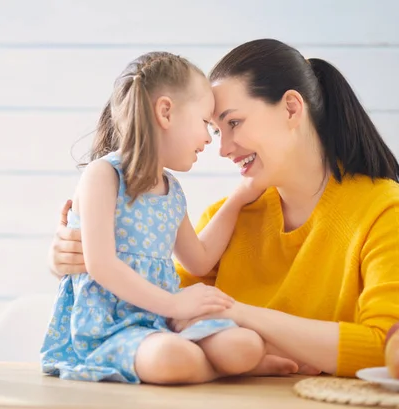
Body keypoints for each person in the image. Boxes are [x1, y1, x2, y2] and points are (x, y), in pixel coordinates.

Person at [47, 39, 399, 378]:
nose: (224, 148)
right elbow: (164, 319)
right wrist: (72, 261)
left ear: (292, 109)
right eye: (214, 130)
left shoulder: (385, 211)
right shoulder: (227, 219)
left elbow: (388, 349)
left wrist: (241, 313)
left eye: (234, 123)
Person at [40, 51, 271, 385]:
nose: (209, 138)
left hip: (161, 321)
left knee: (245, 344)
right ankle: (222, 370)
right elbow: (101, 265)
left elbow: (199, 260)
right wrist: (174, 304)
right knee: (172, 358)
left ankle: (236, 362)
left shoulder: (172, 190)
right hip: (107, 327)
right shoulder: (103, 176)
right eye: (206, 123)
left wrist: (239, 199)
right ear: (166, 112)